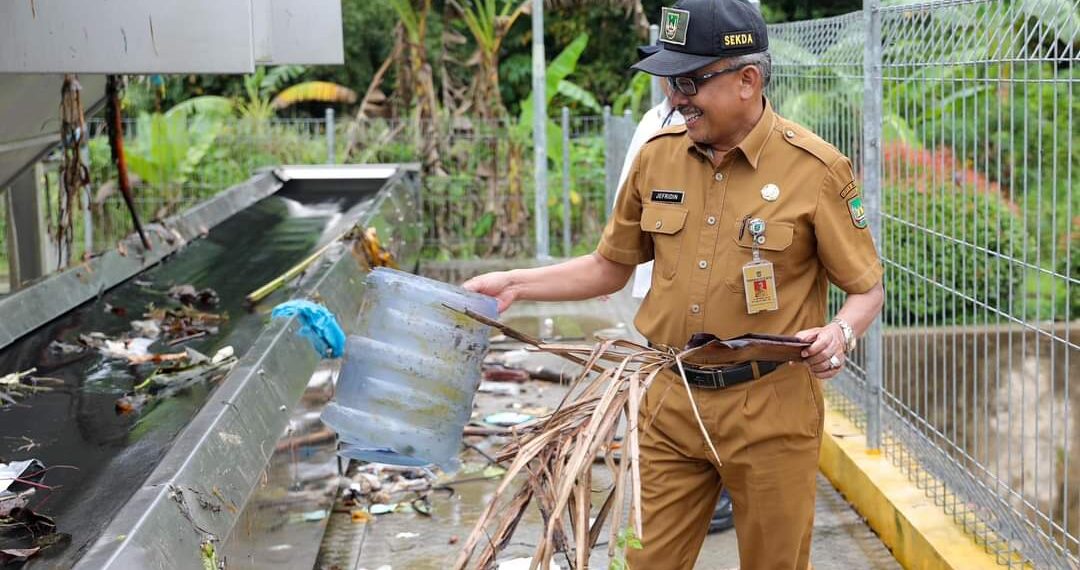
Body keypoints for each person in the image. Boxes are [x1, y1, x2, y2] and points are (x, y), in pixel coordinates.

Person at [464, 0, 884, 567]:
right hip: (671, 399)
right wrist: (516, 282)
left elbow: (866, 288)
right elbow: (609, 265)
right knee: (647, 561)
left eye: (689, 80)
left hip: (771, 407)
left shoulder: (816, 170)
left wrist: (840, 332)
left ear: (747, 80)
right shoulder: (656, 159)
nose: (674, 97)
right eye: (668, 81)